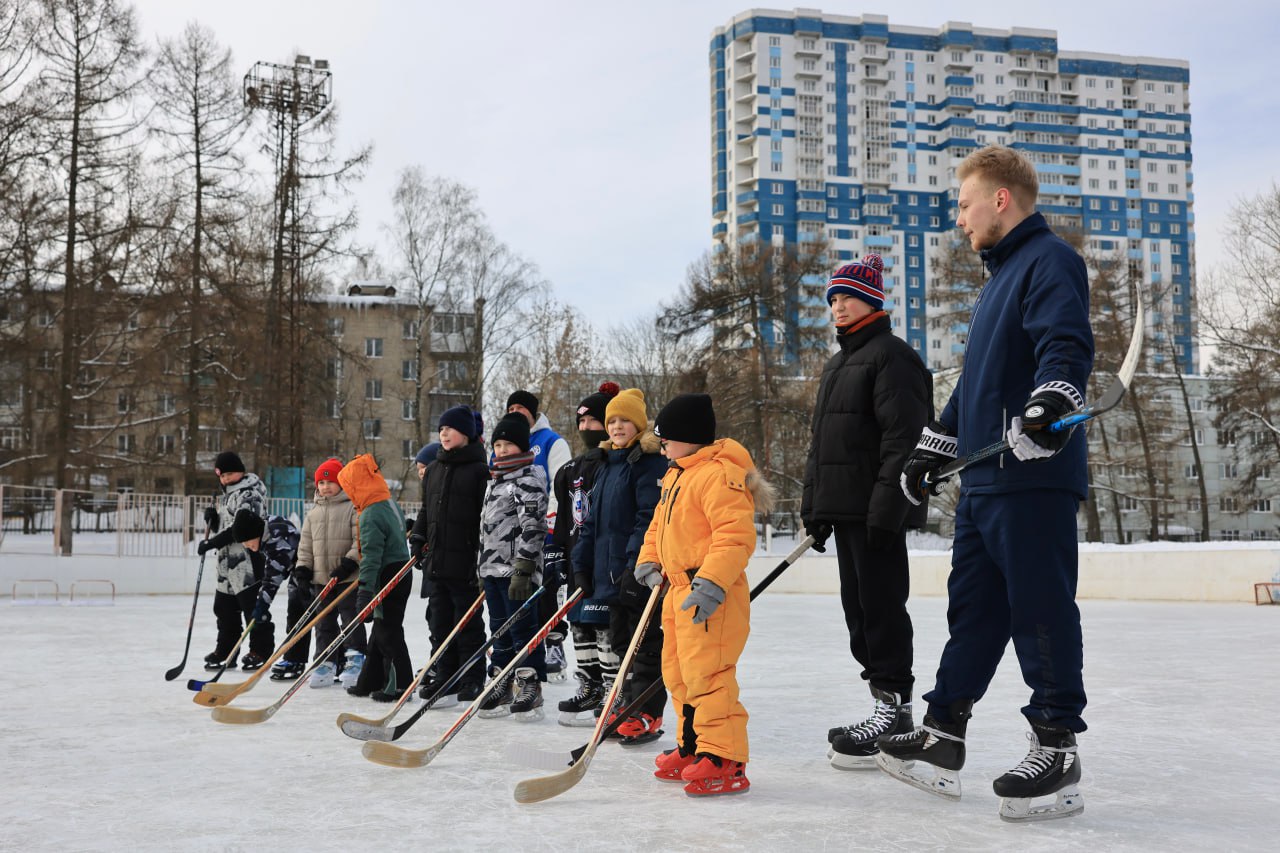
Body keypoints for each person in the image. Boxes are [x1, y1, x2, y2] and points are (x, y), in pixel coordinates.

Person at [885, 145, 1094, 822]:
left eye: (964, 201)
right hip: (984, 483)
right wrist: (932, 447)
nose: (959, 217)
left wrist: (1051, 403)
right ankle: (944, 733)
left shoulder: (1050, 261)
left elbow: (1065, 344)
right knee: (973, 611)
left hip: (1032, 477)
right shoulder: (997, 279)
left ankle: (1056, 745)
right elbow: (977, 386)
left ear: (1000, 198)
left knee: (1040, 607)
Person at [800, 253, 933, 770]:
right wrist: (815, 507)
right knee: (858, 612)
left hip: (877, 514)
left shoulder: (891, 357)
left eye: (847, 297)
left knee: (880, 609)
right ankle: (882, 702)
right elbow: (823, 445)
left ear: (872, 301)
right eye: (833, 299)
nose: (838, 307)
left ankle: (895, 710)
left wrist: (888, 509)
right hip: (847, 509)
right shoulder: (838, 364)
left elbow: (903, 440)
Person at [635, 393, 773, 797]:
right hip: (675, 591)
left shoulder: (718, 475)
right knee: (679, 675)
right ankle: (693, 746)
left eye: (666, 441)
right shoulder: (678, 474)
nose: (661, 448)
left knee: (709, 675)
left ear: (690, 437)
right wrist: (649, 561)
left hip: (711, 594)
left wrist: (711, 582)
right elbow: (657, 528)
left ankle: (725, 758)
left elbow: (734, 537)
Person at [571, 388, 668, 743]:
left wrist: (634, 566)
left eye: (624, 420)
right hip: (607, 576)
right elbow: (592, 524)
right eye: (611, 420)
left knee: (644, 646)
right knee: (621, 642)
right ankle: (626, 705)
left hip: (635, 574)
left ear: (639, 424)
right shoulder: (607, 465)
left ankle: (647, 712)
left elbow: (647, 520)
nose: (616, 426)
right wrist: (581, 566)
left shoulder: (648, 462)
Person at [408, 406, 489, 707]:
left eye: (450, 428)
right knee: (439, 623)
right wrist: (418, 537)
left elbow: (485, 519)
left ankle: (471, 677)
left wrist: (479, 559)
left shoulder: (479, 471)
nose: (444, 433)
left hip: (466, 561)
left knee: (467, 623)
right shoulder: (434, 470)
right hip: (438, 562)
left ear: (466, 433)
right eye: (441, 428)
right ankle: (446, 674)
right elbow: (426, 512)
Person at [551, 382, 617, 725]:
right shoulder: (569, 471)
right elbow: (564, 520)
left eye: (593, 421)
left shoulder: (613, 464)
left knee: (602, 624)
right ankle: (589, 685)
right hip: (578, 559)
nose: (585, 429)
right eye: (581, 422)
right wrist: (558, 556)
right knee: (579, 624)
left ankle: (611, 688)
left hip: (605, 562)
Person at [476, 413, 549, 721]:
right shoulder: (494, 484)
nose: (501, 450)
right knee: (499, 630)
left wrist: (523, 566)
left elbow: (533, 527)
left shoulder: (528, 481)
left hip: (517, 573)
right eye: (497, 444)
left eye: (508, 444)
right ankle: (503, 680)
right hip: (492, 571)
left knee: (522, 630)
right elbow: (485, 530)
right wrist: (482, 568)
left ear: (522, 447)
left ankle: (529, 683)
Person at [337, 453, 414, 703]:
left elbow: (371, 557)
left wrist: (365, 592)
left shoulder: (370, 514)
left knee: (388, 632)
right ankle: (369, 681)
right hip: (402, 571)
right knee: (381, 630)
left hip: (387, 575)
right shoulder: (388, 502)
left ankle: (400, 685)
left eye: (349, 489)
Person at [506, 389, 572, 677]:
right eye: (511, 408)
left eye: (521, 408)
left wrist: (552, 525)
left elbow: (560, 485)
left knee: (545, 590)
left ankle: (555, 642)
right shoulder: (506, 442)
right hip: (512, 535)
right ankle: (519, 647)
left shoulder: (551, 442)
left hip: (542, 529)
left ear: (533, 412)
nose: (516, 412)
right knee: (519, 592)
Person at [292, 458, 366, 689]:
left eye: (330, 481)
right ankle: (324, 663)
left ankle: (355, 661)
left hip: (346, 579)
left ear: (341, 482)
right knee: (323, 623)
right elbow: (305, 546)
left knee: (350, 620)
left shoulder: (353, 507)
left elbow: (360, 541)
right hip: (320, 580)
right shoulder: (313, 512)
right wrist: (303, 570)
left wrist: (349, 563)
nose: (325, 487)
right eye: (321, 482)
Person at [197, 451, 271, 671]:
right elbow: (227, 524)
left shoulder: (250, 494)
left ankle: (261, 649)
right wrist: (214, 519)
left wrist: (212, 543)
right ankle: (226, 649)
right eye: (222, 475)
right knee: (224, 608)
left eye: (229, 474)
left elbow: (239, 530)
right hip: (226, 565)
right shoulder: (229, 494)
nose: (225, 479)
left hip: (247, 561)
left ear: (241, 471)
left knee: (253, 609)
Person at [228, 509, 299, 660]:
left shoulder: (275, 539)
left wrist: (262, 604)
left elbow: (273, 578)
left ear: (255, 533)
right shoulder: (265, 528)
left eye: (247, 541)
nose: (246, 546)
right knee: (296, 617)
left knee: (304, 616)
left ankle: (299, 660)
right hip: (298, 569)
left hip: (310, 571)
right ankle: (294, 659)